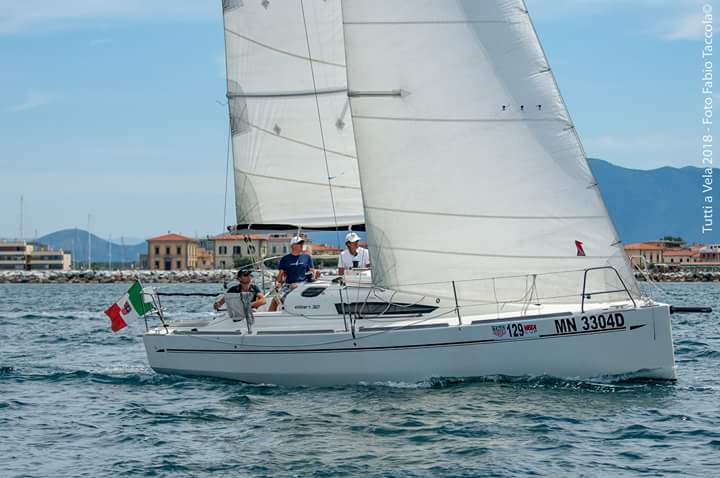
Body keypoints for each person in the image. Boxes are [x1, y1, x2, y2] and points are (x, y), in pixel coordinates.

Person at [268, 236, 318, 311]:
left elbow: (312, 272)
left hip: (303, 284)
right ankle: (269, 317)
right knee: (275, 300)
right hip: (288, 285)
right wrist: (277, 283)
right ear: (293, 246)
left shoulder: (307, 257)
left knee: (294, 288)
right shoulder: (285, 259)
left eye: (302, 243)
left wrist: (315, 275)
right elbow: (280, 275)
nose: (302, 245)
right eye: (299, 243)